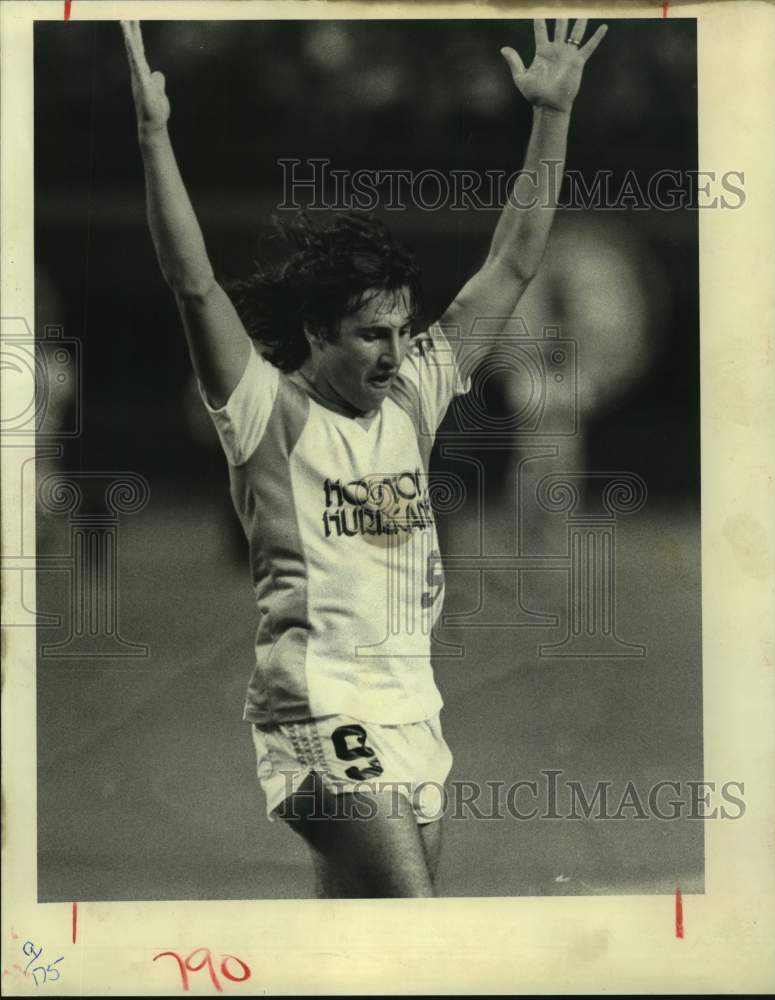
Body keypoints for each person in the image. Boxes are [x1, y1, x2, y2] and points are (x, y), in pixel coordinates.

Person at [121, 17, 607, 898]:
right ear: (316, 334)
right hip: (316, 704)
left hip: (410, 704)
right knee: (412, 923)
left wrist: (552, 116)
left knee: (362, 943)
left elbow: (512, 262)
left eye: (399, 328)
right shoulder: (267, 409)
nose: (393, 352)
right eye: (367, 335)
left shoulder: (413, 393)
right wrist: (155, 136)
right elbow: (192, 284)